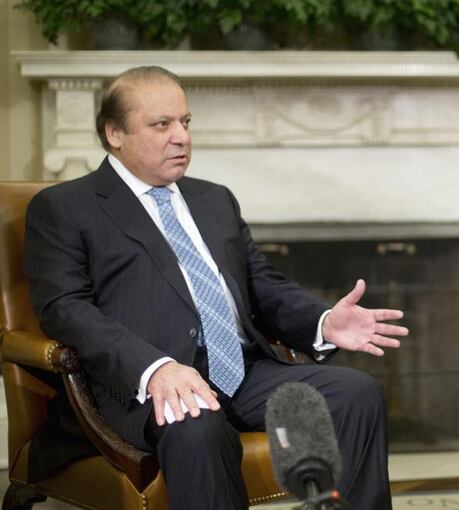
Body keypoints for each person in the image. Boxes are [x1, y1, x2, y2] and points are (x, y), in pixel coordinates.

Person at [23, 65, 408, 510]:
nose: (181, 137)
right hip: (144, 382)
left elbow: (261, 285)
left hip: (242, 371)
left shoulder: (213, 199)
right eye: (161, 124)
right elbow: (64, 308)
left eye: (185, 122)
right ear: (114, 133)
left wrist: (323, 321)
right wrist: (154, 368)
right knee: (197, 423)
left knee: (355, 394)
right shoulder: (65, 207)